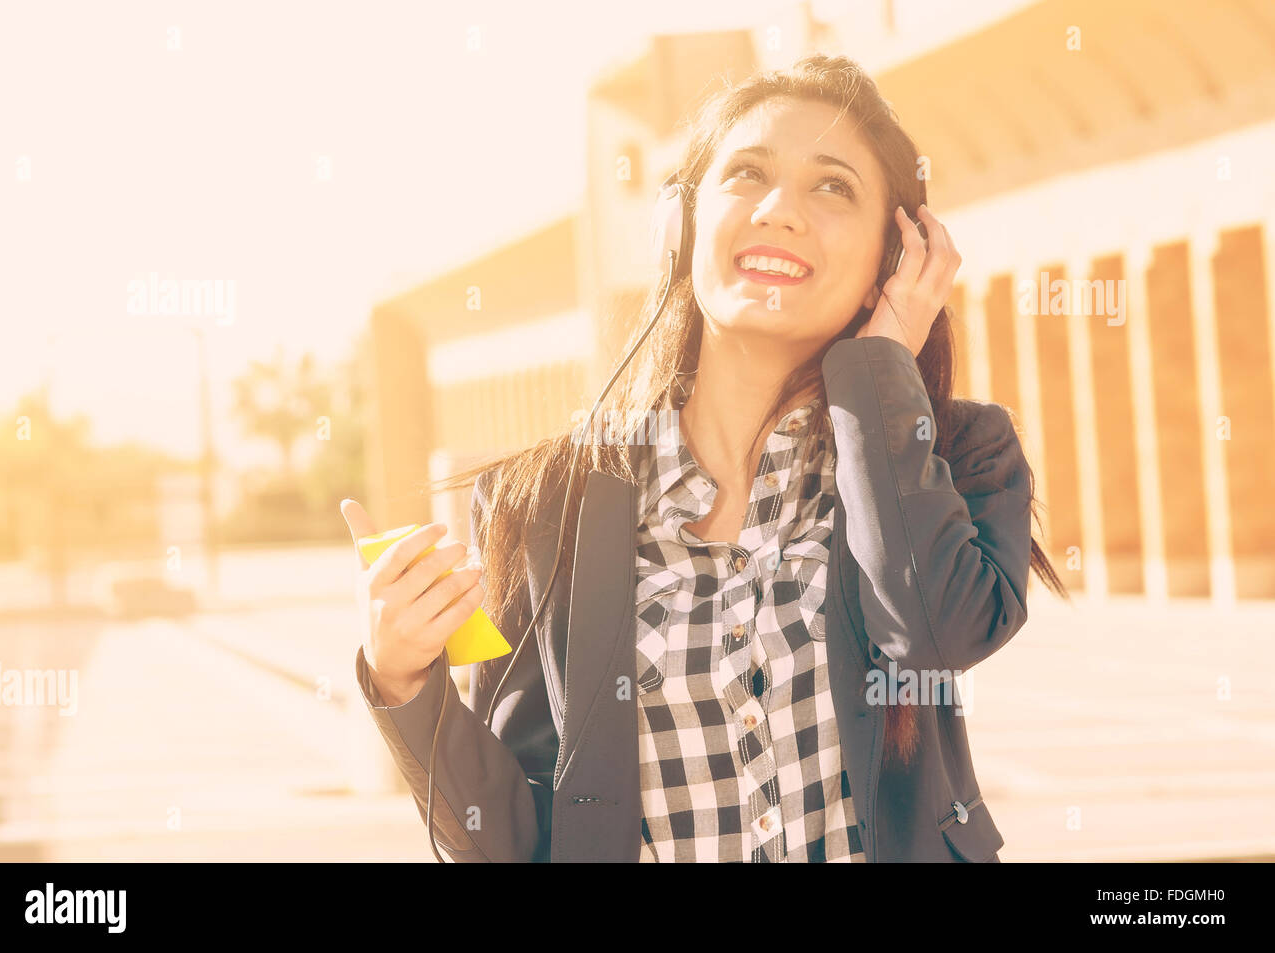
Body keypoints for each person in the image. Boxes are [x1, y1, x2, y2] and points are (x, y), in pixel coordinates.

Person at [340, 52, 1070, 862]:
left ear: (890, 263)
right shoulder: (544, 504)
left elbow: (935, 630)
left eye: (833, 186)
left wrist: (883, 362)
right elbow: (514, 842)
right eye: (747, 174)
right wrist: (404, 679)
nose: (780, 211)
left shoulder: (956, 453)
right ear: (681, 229)